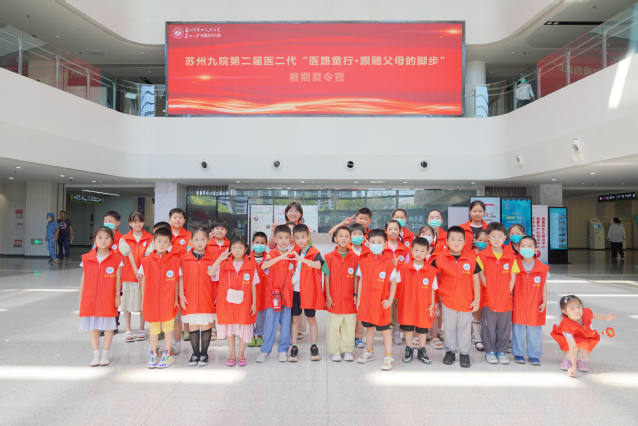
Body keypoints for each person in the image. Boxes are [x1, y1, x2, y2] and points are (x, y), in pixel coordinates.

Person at [429, 226, 480, 368]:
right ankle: (449, 352)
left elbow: (476, 280)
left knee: (464, 328)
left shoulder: (472, 258)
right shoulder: (439, 258)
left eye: (459, 239)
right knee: (449, 327)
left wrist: (477, 300)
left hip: (466, 300)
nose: (456, 242)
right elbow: (430, 276)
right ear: (446, 241)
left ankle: (464, 353)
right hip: (447, 300)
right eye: (452, 239)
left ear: (465, 242)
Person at [209, 236, 258, 367]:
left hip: (245, 302)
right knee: (230, 329)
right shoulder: (223, 265)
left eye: (240, 247)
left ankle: (241, 354)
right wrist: (220, 258)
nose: (237, 250)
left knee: (244, 327)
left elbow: (253, 285)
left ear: (245, 249)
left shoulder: (251, 265)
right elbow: (211, 273)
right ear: (230, 249)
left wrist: (254, 303)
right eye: (234, 247)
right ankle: (232, 354)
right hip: (227, 303)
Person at [78, 226, 123, 367]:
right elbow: (83, 278)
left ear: (112, 241)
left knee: (109, 327)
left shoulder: (117, 258)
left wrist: (117, 295)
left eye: (107, 238)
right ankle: (96, 355)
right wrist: (81, 297)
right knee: (93, 327)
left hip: (107, 298)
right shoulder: (87, 258)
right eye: (100, 237)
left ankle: (105, 355)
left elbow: (118, 278)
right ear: (95, 240)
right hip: (90, 298)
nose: (103, 240)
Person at [355, 229, 398, 371]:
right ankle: (369, 352)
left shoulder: (389, 263)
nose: (376, 244)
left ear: (385, 244)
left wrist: (390, 300)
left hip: (382, 303)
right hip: (367, 303)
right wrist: (359, 299)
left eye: (379, 242)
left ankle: (388, 356)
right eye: (373, 242)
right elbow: (361, 281)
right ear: (368, 244)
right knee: (369, 328)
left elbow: (393, 282)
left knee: (385, 330)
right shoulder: (363, 262)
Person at [477, 222, 519, 365]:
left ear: (505, 238)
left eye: (500, 236)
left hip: (505, 298)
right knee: (488, 325)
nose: (496, 239)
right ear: (488, 237)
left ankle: (501, 351)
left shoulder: (511, 256)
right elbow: (481, 274)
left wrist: (506, 292)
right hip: (488, 297)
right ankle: (490, 351)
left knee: (504, 326)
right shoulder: (482, 255)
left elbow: (513, 276)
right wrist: (490, 290)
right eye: (493, 236)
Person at [140, 227, 180, 369]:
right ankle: (153, 354)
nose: (162, 244)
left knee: (168, 328)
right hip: (151, 301)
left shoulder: (175, 261)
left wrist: (176, 299)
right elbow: (143, 281)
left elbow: (176, 281)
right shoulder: (146, 261)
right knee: (153, 329)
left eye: (165, 241)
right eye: (159, 241)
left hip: (167, 300)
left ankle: (168, 354)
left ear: (170, 244)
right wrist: (143, 300)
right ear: (153, 242)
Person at [267, 202, 309, 340]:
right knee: (283, 299)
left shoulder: (303, 230)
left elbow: (308, 248)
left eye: (296, 211)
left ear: (301, 214)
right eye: (290, 211)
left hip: (297, 273)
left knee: (297, 300)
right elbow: (271, 246)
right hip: (282, 273)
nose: (293, 213)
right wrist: (273, 230)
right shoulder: (281, 229)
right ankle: (283, 328)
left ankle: (298, 328)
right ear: (286, 213)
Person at [256, 224, 295, 363]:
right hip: (272, 296)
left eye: (286, 238)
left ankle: (283, 350)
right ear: (275, 239)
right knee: (270, 324)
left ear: (290, 239)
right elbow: (264, 266)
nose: (283, 241)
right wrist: (280, 257)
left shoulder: (293, 256)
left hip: (287, 295)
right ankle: (265, 351)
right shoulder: (270, 255)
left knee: (286, 324)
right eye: (280, 238)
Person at [179, 225, 217, 367]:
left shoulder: (213, 258)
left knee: (206, 324)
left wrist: (217, 296)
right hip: (190, 297)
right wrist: (181, 294)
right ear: (191, 241)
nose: (199, 242)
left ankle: (204, 354)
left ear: (208, 240)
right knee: (193, 325)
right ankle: (195, 354)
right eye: (196, 239)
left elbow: (218, 280)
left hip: (208, 297)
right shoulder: (184, 258)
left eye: (203, 239)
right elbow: (180, 278)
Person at [551, 295, 616, 377]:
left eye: (579, 306)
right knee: (572, 347)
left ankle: (580, 360)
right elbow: (572, 346)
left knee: (585, 348)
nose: (577, 310)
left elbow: (591, 315)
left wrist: (605, 317)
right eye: (572, 308)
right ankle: (567, 359)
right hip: (569, 340)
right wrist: (573, 366)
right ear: (565, 311)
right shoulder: (566, 326)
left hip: (584, 336)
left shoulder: (584, 312)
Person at [396, 237, 436, 364]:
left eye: (422, 251)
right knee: (408, 328)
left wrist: (432, 304)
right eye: (416, 250)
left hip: (424, 304)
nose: (419, 253)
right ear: (411, 250)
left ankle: (422, 350)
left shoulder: (431, 270)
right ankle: (408, 349)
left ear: (427, 252)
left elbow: (433, 288)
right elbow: (395, 284)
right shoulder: (403, 269)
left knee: (422, 328)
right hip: (407, 304)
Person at [289, 224, 325, 362]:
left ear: (308, 237)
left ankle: (314, 346)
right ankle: (294, 347)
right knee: (295, 319)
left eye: (302, 237)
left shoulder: (314, 252)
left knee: (311, 319)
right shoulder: (294, 252)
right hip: (295, 291)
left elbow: (318, 265)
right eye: (297, 237)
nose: (300, 240)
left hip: (308, 291)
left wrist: (302, 260)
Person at [512, 236, 549, 365]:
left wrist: (544, 302)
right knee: (517, 328)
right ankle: (518, 353)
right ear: (518, 248)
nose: (526, 248)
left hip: (535, 302)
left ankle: (534, 354)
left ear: (535, 249)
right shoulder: (514, 265)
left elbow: (544, 285)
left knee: (535, 329)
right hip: (518, 301)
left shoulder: (542, 267)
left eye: (529, 246)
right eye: (523, 246)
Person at [323, 226, 358, 362]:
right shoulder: (328, 257)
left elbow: (356, 278)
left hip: (350, 298)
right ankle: (335, 351)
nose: (343, 238)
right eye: (340, 236)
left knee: (349, 325)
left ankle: (347, 350)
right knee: (333, 326)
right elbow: (326, 277)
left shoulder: (355, 258)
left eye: (346, 236)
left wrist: (356, 294)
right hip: (334, 298)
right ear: (335, 238)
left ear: (350, 239)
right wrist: (328, 296)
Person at [118, 212, 153, 343]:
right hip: (128, 275)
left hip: (145, 275)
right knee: (127, 304)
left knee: (143, 302)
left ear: (143, 222)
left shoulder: (150, 238)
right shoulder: (124, 239)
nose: (137, 224)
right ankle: (128, 330)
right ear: (129, 223)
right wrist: (137, 271)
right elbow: (129, 255)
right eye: (134, 221)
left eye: (140, 221)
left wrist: (141, 272)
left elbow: (149, 256)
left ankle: (141, 329)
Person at [383, 220, 410, 346]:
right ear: (386, 231)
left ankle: (397, 331)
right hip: (385, 282)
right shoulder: (382, 248)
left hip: (400, 282)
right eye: (390, 229)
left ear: (400, 231)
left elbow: (408, 267)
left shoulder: (405, 249)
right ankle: (387, 329)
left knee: (397, 305)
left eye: (395, 229)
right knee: (386, 305)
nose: (393, 231)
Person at [168, 208, 191, 348]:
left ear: (184, 220)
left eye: (180, 217)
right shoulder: (165, 234)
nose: (177, 220)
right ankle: (164, 329)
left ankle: (186, 328)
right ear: (169, 220)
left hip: (185, 274)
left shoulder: (189, 236)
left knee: (184, 300)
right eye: (175, 217)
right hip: (167, 274)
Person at [418, 225, 444, 350]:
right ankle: (419, 336)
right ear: (418, 236)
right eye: (423, 234)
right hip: (419, 288)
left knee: (434, 312)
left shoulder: (438, 253)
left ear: (434, 237)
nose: (426, 237)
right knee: (419, 311)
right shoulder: (415, 252)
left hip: (434, 288)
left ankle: (434, 337)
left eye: (429, 235)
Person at [207, 218, 231, 341]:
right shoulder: (207, 244)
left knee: (225, 302)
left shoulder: (231, 245)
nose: (219, 231)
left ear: (226, 231)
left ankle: (225, 329)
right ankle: (212, 329)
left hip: (226, 278)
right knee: (211, 302)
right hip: (211, 277)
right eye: (217, 228)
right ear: (212, 230)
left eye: (222, 229)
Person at [349, 223, 371, 349]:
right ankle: (347, 336)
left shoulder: (368, 251)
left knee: (360, 311)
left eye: (360, 234)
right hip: (347, 285)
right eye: (354, 234)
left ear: (364, 236)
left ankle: (359, 337)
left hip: (363, 286)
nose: (357, 236)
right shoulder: (346, 249)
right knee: (348, 312)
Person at [247, 232, 269, 348]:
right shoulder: (247, 258)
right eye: (257, 242)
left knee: (261, 314)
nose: (259, 245)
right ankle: (250, 334)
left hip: (264, 291)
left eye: (262, 243)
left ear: (266, 244)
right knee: (249, 312)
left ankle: (260, 335)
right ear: (252, 243)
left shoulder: (269, 258)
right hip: (249, 291)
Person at [472, 229, 490, 351]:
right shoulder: (470, 254)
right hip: (474, 288)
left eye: (485, 241)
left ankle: (486, 337)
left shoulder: (490, 254)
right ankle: (477, 338)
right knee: (477, 312)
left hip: (488, 287)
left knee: (488, 313)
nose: (483, 243)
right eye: (480, 240)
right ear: (475, 240)